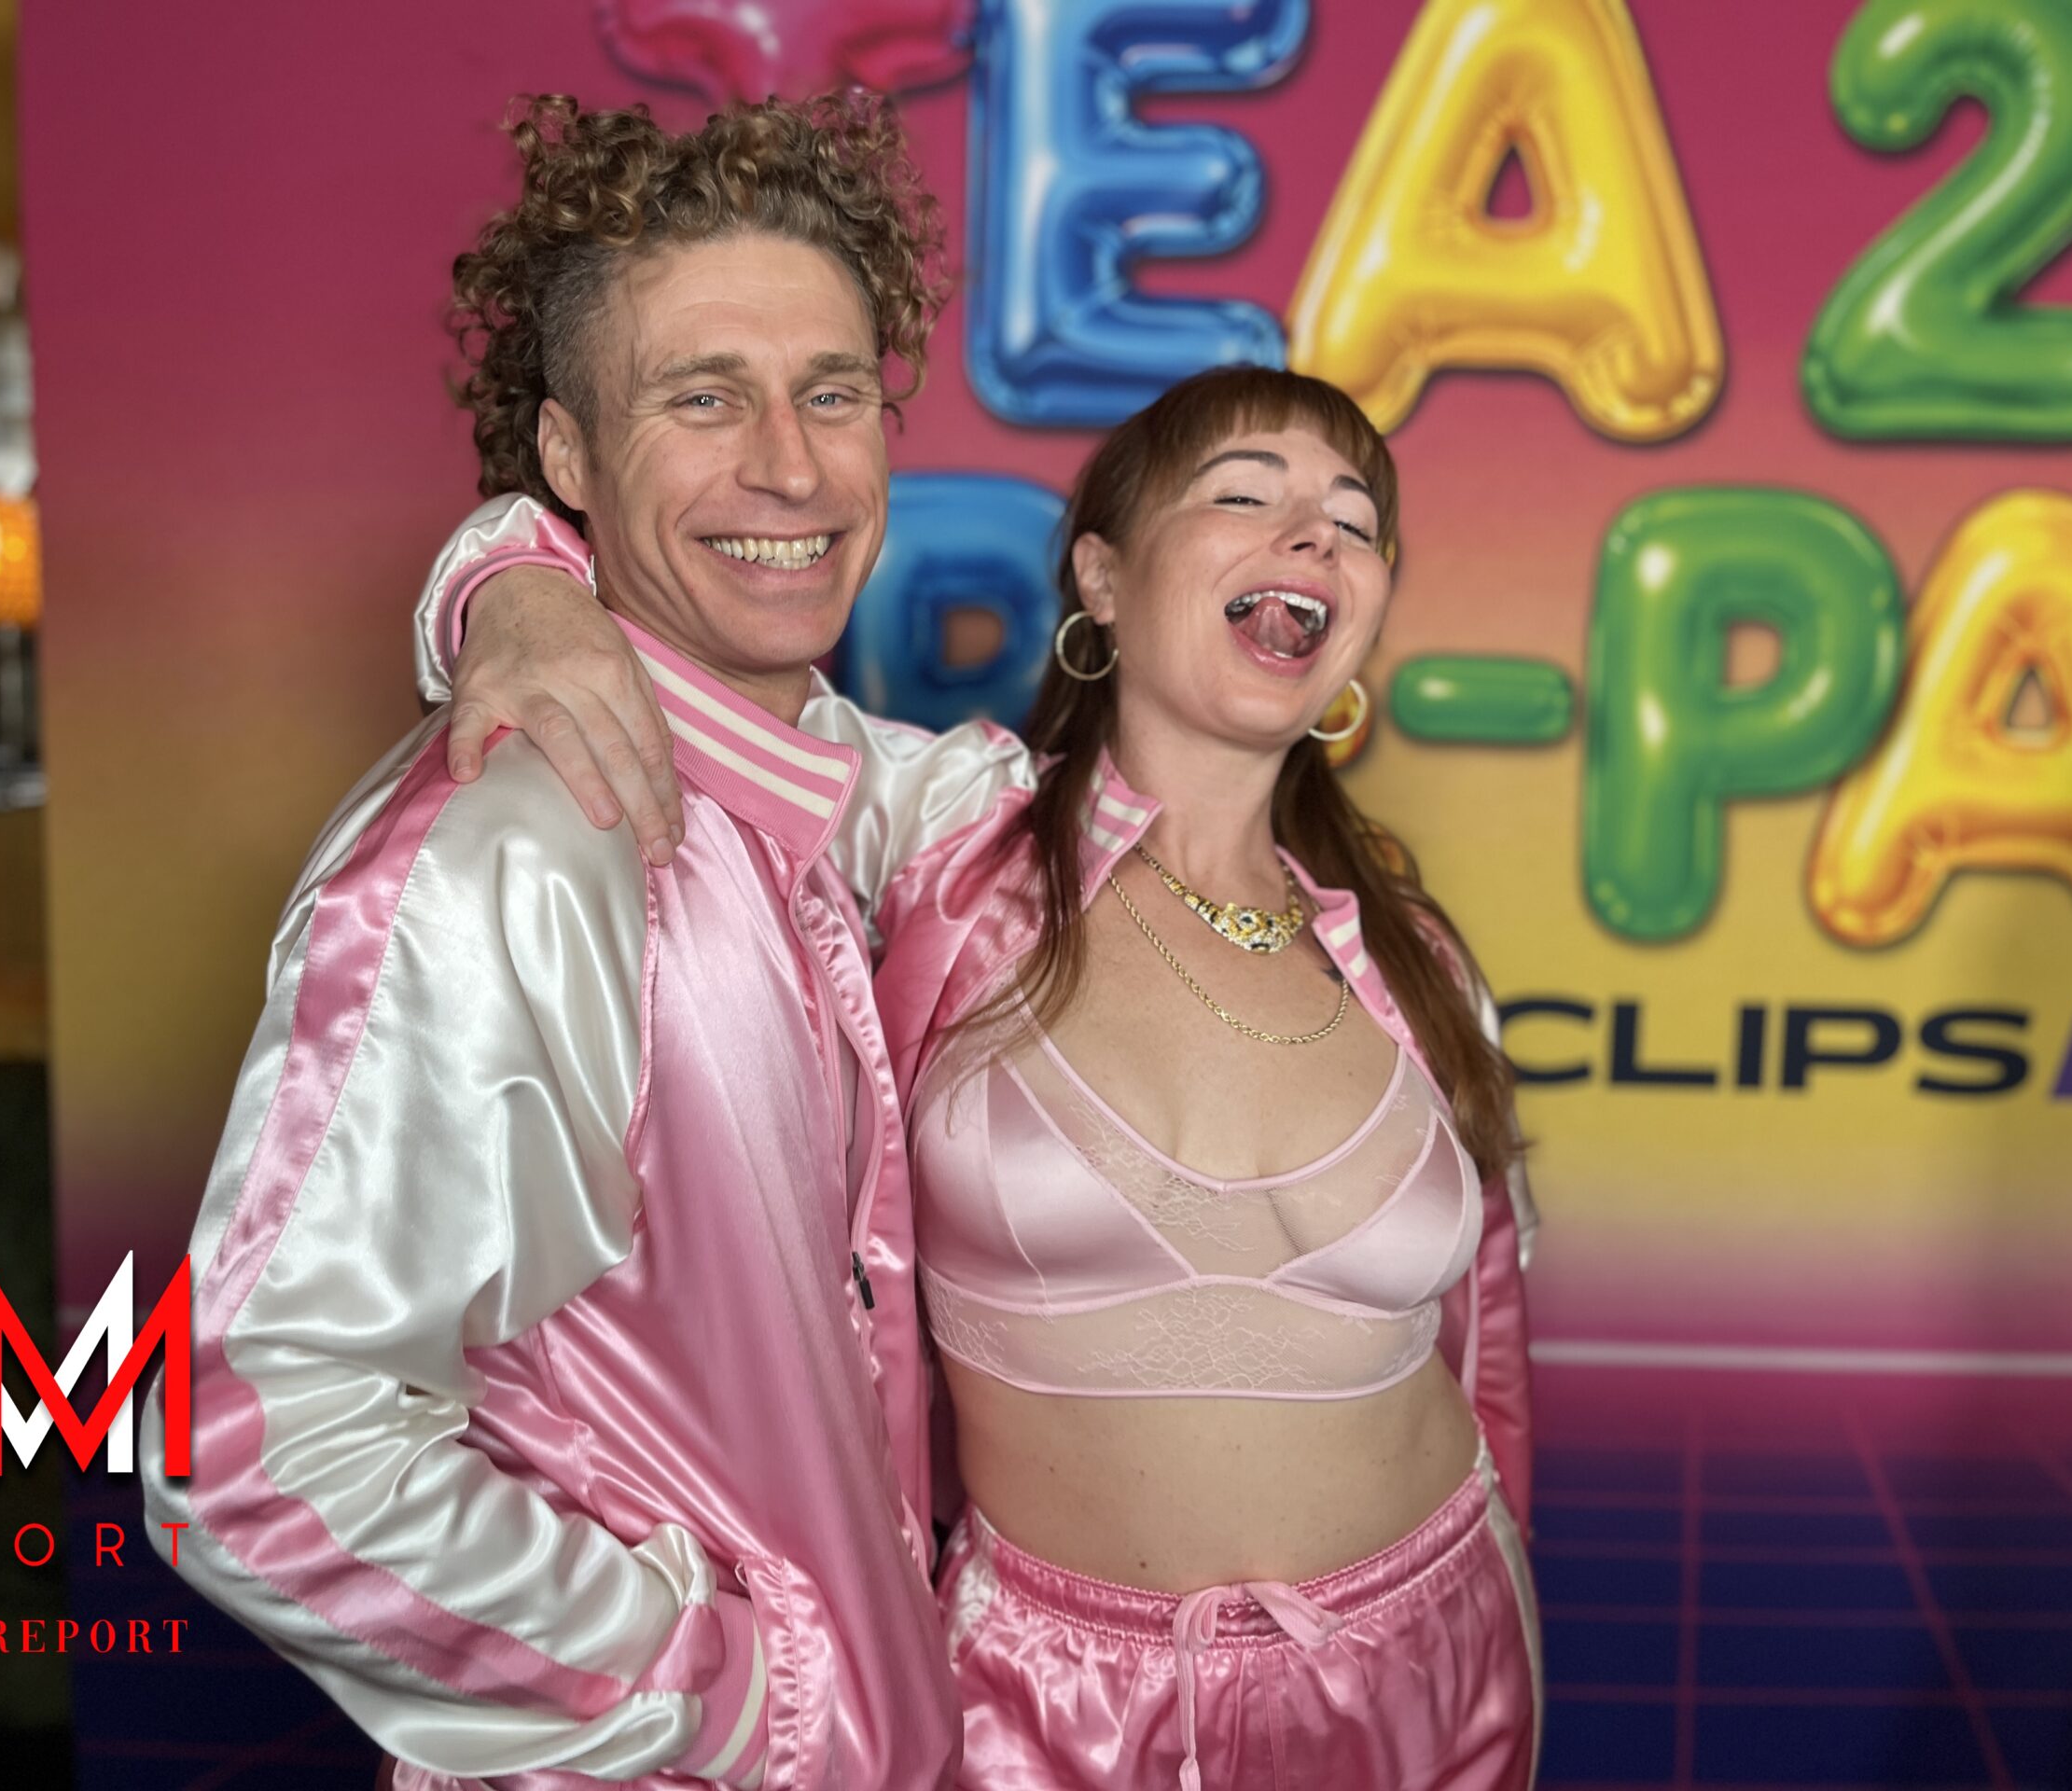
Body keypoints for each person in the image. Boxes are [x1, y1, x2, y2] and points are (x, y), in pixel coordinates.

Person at [428, 367, 1542, 1788]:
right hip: (1044, 1708)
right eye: (1246, 495)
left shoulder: (1414, 960)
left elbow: (1487, 1351)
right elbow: (664, 688)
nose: (1316, 537)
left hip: (1436, 1662)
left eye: (1356, 522)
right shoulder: (940, 842)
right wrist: (509, 591)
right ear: (1103, 578)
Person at [137, 93, 966, 1789]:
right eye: (703, 398)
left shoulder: (810, 780)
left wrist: (497, 573)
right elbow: (248, 1445)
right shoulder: (509, 850)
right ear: (571, 460)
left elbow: (986, 797)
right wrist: (745, 1699)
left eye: (832, 393)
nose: (792, 466)